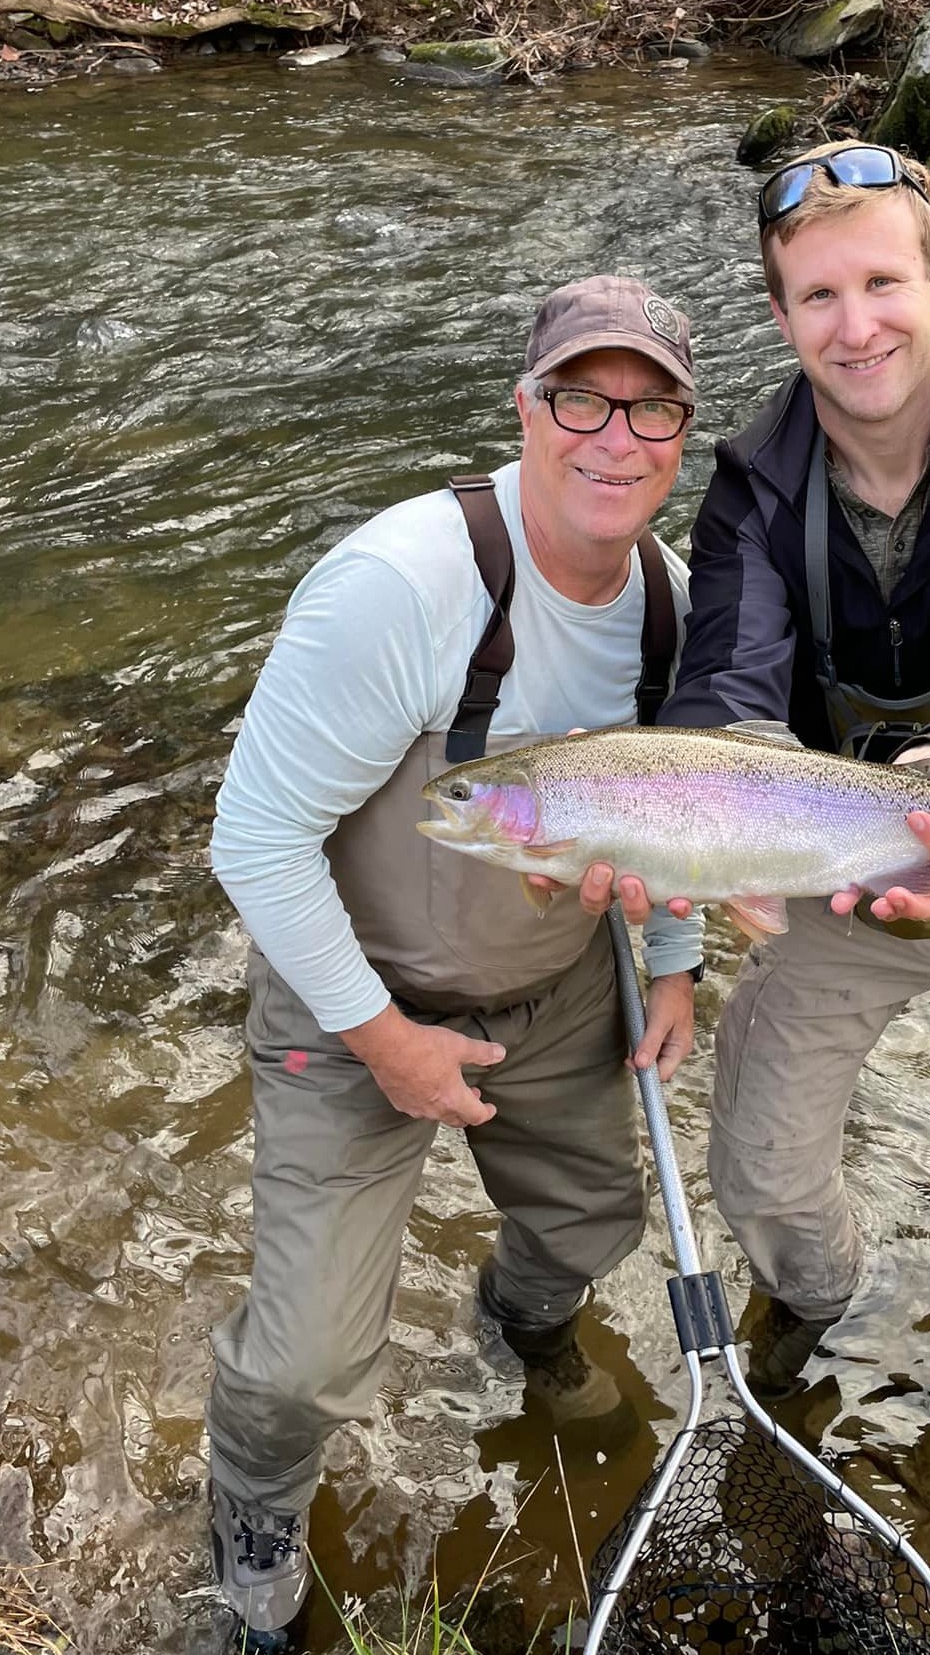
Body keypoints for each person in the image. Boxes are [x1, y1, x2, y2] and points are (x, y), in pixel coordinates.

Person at [206, 275, 705, 1651]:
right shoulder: (401, 586)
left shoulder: (672, 601)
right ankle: (252, 1502)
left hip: (556, 988)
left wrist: (671, 965)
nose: (615, 435)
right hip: (349, 1001)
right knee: (306, 1362)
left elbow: (671, 810)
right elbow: (252, 842)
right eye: (580, 398)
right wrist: (389, 1045)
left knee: (590, 1226)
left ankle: (528, 1324)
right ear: (524, 407)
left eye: (650, 405)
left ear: (682, 427)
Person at [622, 141, 930, 1463]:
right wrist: (727, 817)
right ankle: (809, 1292)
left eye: (880, 284)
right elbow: (724, 679)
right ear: (779, 314)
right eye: (817, 297)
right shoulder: (750, 483)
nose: (855, 328)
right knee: (762, 1153)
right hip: (836, 856)